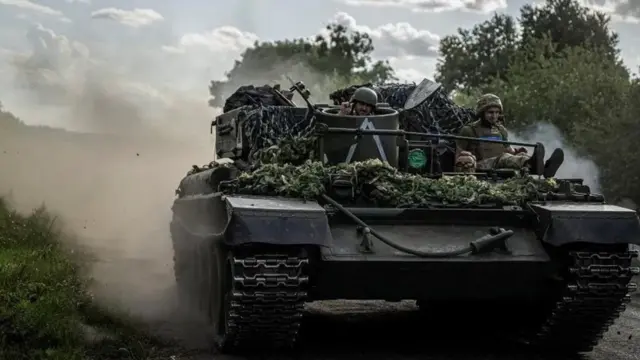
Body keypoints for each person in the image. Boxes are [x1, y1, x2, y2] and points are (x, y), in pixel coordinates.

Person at [455, 93, 564, 178]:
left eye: (497, 112)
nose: (494, 116)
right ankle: (532, 164)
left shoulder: (500, 130)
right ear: (481, 113)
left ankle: (544, 168)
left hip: (499, 164)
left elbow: (509, 150)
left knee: (520, 156)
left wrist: (517, 151)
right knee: (504, 158)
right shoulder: (469, 130)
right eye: (490, 112)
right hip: (480, 166)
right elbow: (458, 158)